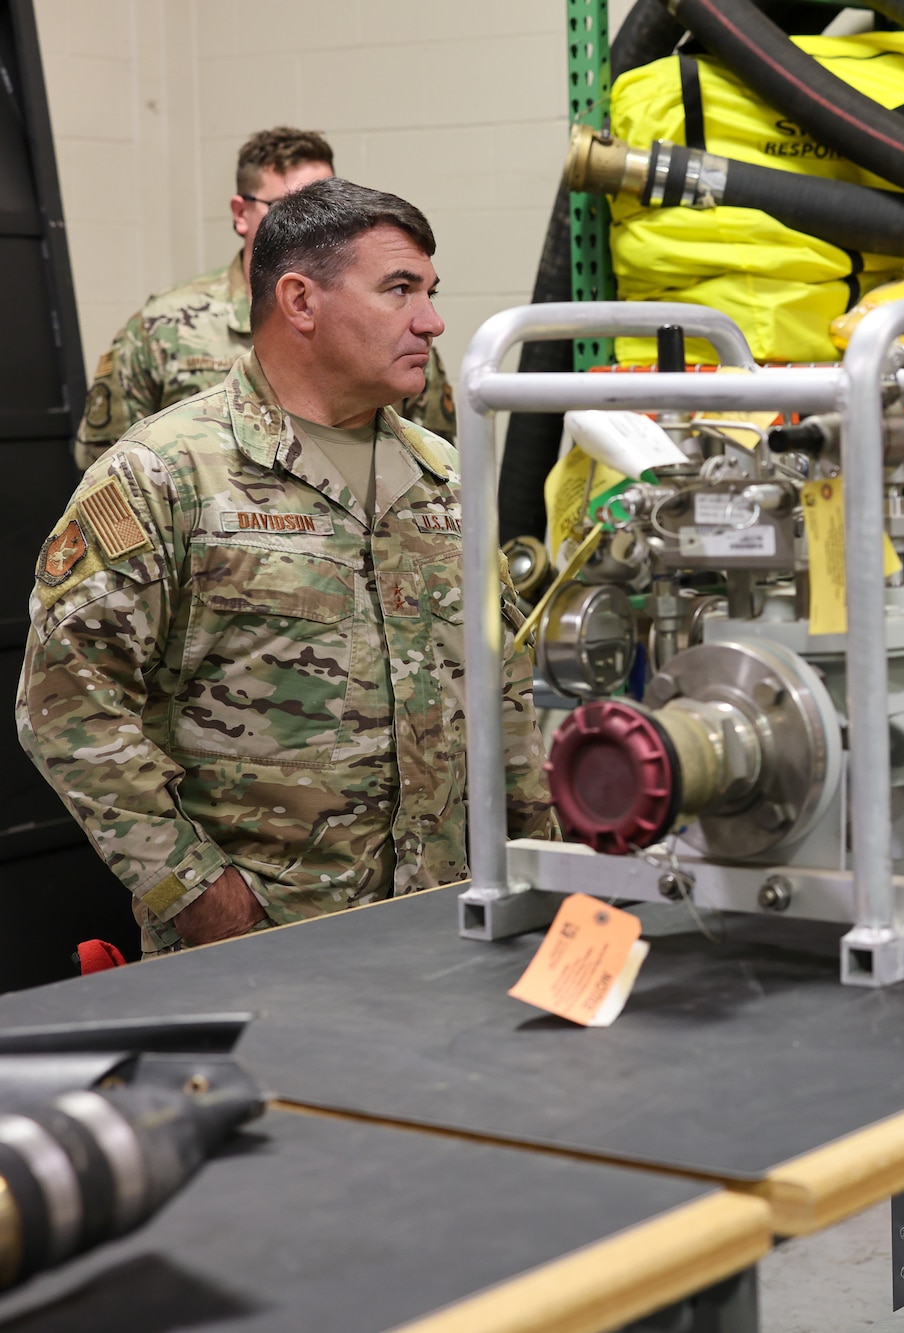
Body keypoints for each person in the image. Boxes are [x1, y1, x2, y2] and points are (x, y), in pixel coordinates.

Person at [18, 179, 553, 955]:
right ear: (301, 300)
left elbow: (506, 695)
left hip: (448, 931)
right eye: (399, 289)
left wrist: (542, 872)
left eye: (430, 292)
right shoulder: (167, 474)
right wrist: (201, 897)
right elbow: (67, 709)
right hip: (264, 946)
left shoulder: (444, 475)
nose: (432, 321)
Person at [72, 127, 457, 472]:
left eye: (323, 201)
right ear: (241, 213)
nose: (314, 219)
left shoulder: (397, 336)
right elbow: (108, 460)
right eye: (289, 203)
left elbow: (427, 456)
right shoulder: (165, 325)